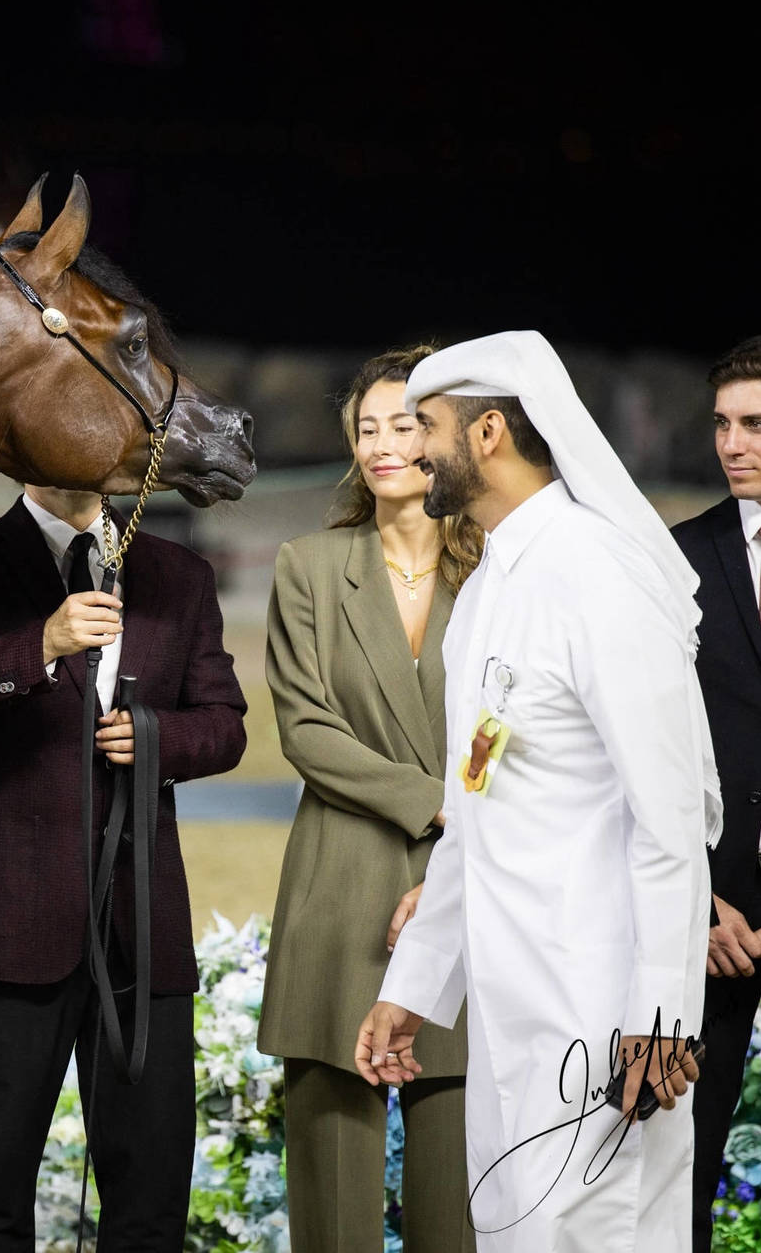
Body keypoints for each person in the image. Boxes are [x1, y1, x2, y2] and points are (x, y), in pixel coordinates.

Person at [355, 331, 717, 1252]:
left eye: (423, 426)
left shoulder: (598, 575)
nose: (410, 448)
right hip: (513, 1005)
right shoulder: (488, 589)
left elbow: (669, 815)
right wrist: (412, 987)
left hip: (607, 1006)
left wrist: (661, 1015)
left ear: (486, 434)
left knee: (598, 1236)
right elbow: (476, 812)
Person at [0, 479, 248, 1250]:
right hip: (4, 924)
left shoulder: (178, 574)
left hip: (141, 927)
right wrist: (41, 644)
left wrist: (155, 737)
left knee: (152, 1198)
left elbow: (224, 724)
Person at [259, 345, 482, 1252]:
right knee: (333, 1205)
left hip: (471, 883)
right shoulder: (309, 566)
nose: (385, 445)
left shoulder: (500, 572)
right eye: (366, 428)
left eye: (406, 424)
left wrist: (466, 825)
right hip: (340, 886)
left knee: (457, 1193)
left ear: (448, 436)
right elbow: (307, 730)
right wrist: (436, 802)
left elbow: (515, 724)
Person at [672, 335, 761, 1252]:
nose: (733, 444)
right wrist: (694, 899)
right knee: (683, 1164)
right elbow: (647, 753)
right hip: (713, 920)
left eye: (756, 425)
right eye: (723, 426)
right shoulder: (678, 558)